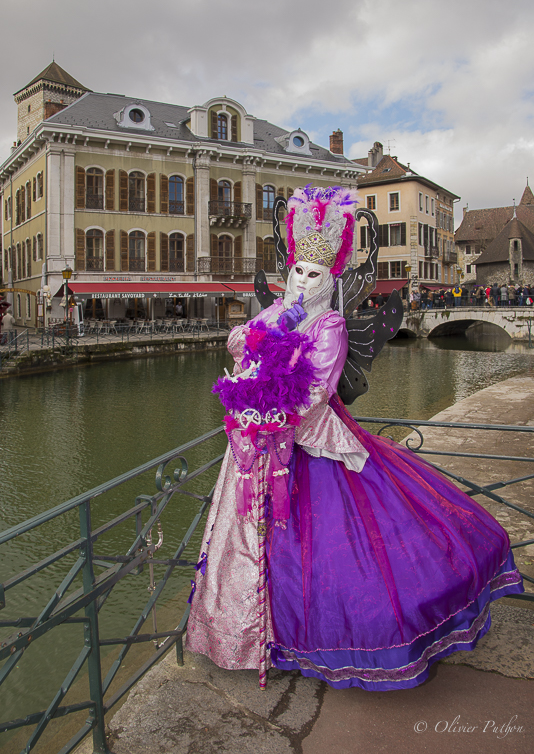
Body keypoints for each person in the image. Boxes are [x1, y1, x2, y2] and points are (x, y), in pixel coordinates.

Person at [186, 185, 523, 692]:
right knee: (254, 546)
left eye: (313, 273)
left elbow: (316, 390)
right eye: (297, 271)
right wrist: (247, 395)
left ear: (329, 278)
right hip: (254, 449)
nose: (302, 280)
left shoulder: (331, 325)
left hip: (307, 446)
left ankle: (340, 642)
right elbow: (243, 349)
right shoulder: (275, 313)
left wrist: (268, 416)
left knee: (339, 551)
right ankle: (253, 637)